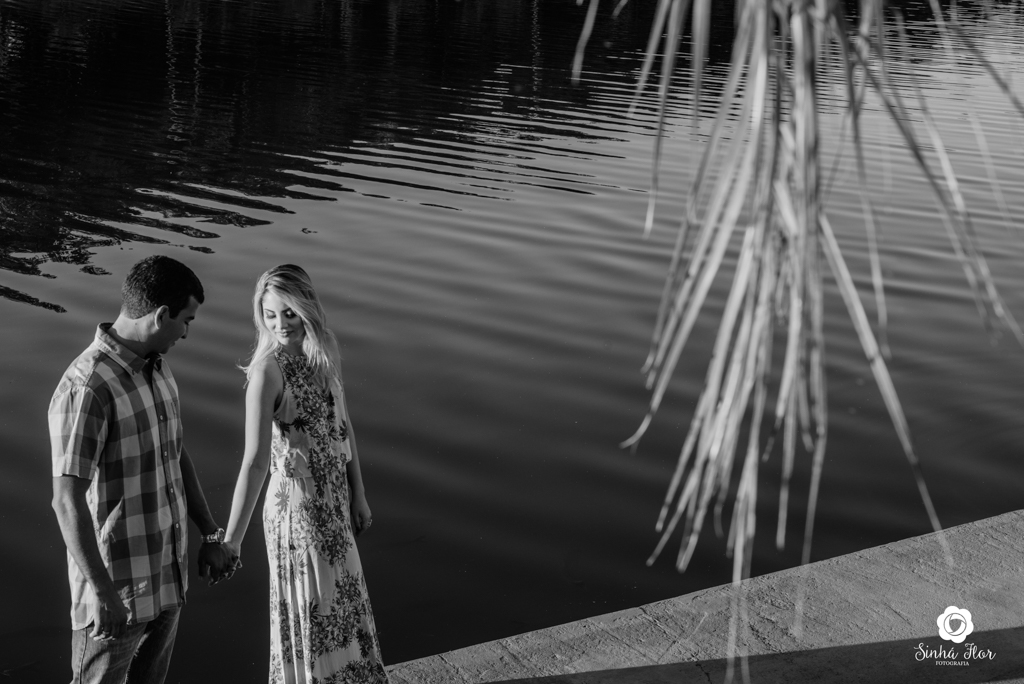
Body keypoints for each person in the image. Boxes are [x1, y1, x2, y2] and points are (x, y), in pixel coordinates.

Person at [49, 255, 238, 684]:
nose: (187, 332)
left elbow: (175, 451)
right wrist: (102, 592)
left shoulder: (158, 367)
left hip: (166, 582)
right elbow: (66, 500)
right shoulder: (87, 387)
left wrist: (209, 532)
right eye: (186, 320)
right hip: (116, 597)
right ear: (160, 315)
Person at [223, 264, 388, 683]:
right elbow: (255, 461)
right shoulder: (267, 372)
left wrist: (359, 494)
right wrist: (231, 541)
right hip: (298, 511)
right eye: (271, 314)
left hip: (334, 502)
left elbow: (343, 429)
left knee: (346, 603)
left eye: (289, 313)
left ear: (308, 309)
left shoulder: (324, 353)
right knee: (317, 611)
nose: (281, 324)